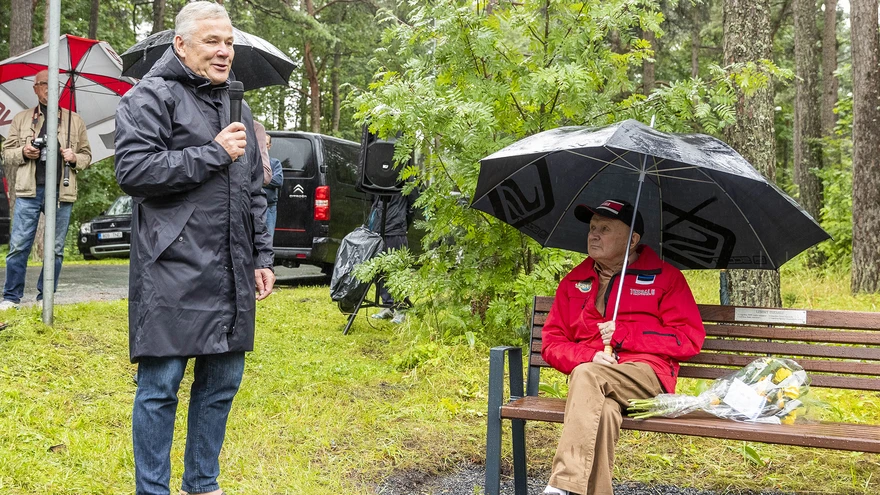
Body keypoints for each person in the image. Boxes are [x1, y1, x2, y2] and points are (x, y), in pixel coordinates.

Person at [114, 2, 275, 495]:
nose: (225, 51)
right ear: (180, 45)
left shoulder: (237, 104)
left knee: (221, 384)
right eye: (213, 41)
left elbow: (254, 188)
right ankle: (153, 490)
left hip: (230, 265)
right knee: (160, 389)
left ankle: (203, 484)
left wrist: (261, 257)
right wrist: (212, 152)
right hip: (171, 266)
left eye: (229, 41)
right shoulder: (149, 97)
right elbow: (135, 172)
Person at [541, 199, 705, 495]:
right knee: (603, 413)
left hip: (645, 376)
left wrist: (625, 335)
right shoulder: (573, 281)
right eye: (592, 228)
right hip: (593, 384)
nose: (594, 235)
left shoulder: (665, 278)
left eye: (605, 229)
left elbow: (688, 338)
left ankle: (561, 485)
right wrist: (588, 355)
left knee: (588, 375)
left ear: (633, 240)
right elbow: (552, 343)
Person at [0, 69, 91, 310]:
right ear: (36, 88)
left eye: (54, 85)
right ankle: (11, 297)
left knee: (56, 249)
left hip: (61, 192)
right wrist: (23, 152)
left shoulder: (74, 120)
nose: (50, 89)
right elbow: (6, 154)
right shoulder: (21, 119)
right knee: (19, 245)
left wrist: (73, 157)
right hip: (29, 191)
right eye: (44, 84)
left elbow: (86, 156)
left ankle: (45, 298)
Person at [369, 188, 418, 324]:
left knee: (398, 270)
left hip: (396, 229)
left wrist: (403, 223)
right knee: (380, 269)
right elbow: (372, 198)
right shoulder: (376, 171)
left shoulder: (405, 173)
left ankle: (401, 308)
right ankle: (387, 305)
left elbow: (413, 200)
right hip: (378, 228)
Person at [263, 133, 283, 238]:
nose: (263, 146)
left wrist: (258, 180)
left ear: (269, 146)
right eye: (261, 143)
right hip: (252, 206)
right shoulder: (252, 163)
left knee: (268, 239)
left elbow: (278, 181)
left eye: (266, 144)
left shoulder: (275, 163)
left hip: (269, 207)